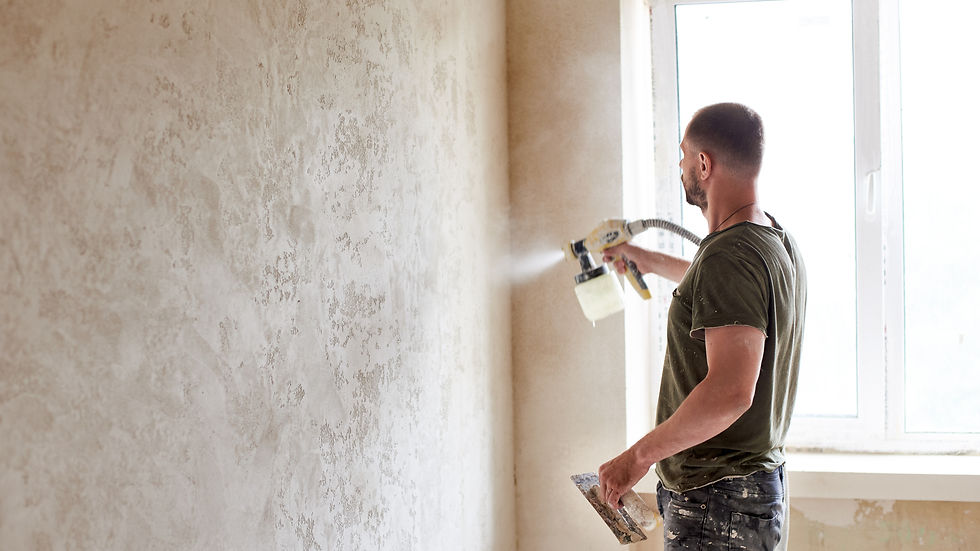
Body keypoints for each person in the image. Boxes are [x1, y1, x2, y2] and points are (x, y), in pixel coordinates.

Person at [597, 102, 806, 550]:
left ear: (704, 163)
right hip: (747, 492)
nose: (681, 166)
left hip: (717, 500)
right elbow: (727, 295)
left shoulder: (729, 256)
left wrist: (637, 458)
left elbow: (731, 392)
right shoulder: (773, 239)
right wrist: (649, 261)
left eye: (683, 155)